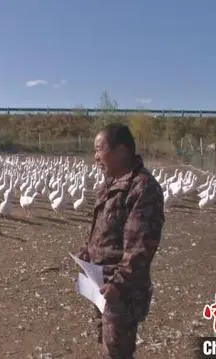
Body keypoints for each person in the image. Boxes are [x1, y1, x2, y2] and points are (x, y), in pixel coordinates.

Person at [76, 123, 165, 358]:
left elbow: (141, 247)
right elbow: (104, 230)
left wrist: (116, 284)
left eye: (99, 149)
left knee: (117, 351)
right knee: (105, 344)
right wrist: (87, 253)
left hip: (120, 292)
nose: (95, 156)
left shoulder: (143, 189)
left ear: (122, 150)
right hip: (99, 284)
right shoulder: (110, 183)